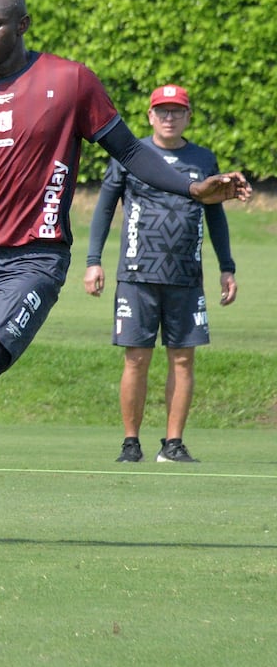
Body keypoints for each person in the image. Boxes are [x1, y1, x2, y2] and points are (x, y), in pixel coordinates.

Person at [0, 0, 250, 546]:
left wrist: (194, 189)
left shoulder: (70, 82)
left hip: (34, 262)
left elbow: (133, 152)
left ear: (23, 25)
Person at [83, 84, 237, 464]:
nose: (169, 117)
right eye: (162, 111)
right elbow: (104, 209)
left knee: (183, 359)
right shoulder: (130, 154)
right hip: (137, 274)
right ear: (150, 116)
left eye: (177, 111)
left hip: (186, 276)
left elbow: (215, 215)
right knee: (136, 358)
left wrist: (227, 267)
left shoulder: (203, 159)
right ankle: (130, 443)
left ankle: (173, 444)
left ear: (187, 116)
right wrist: (93, 260)